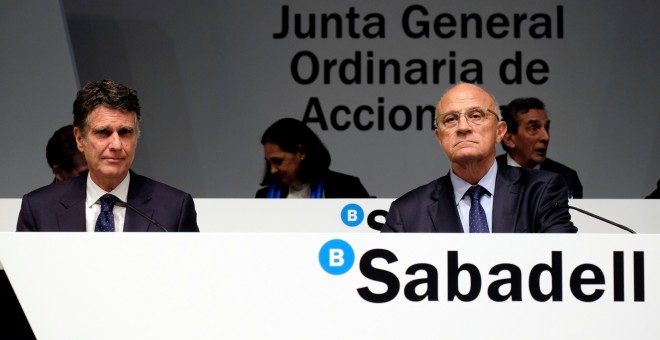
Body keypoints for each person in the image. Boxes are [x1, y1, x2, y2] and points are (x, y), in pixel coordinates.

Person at [381, 83, 576, 233]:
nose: (463, 127)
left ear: (500, 132)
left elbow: (563, 263)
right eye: (451, 119)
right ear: (439, 138)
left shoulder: (540, 191)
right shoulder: (407, 212)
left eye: (476, 116)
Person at [17, 79, 199, 232]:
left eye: (125, 132)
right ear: (80, 139)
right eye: (103, 132)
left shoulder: (174, 208)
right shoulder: (39, 208)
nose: (116, 145)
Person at [256, 118, 370, 198]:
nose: (272, 170)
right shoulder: (263, 197)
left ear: (301, 152)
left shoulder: (347, 188)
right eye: (269, 162)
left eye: (277, 161)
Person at [497, 97, 583, 198]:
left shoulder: (566, 177)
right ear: (509, 139)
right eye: (533, 128)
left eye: (546, 127)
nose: (546, 137)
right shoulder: (487, 173)